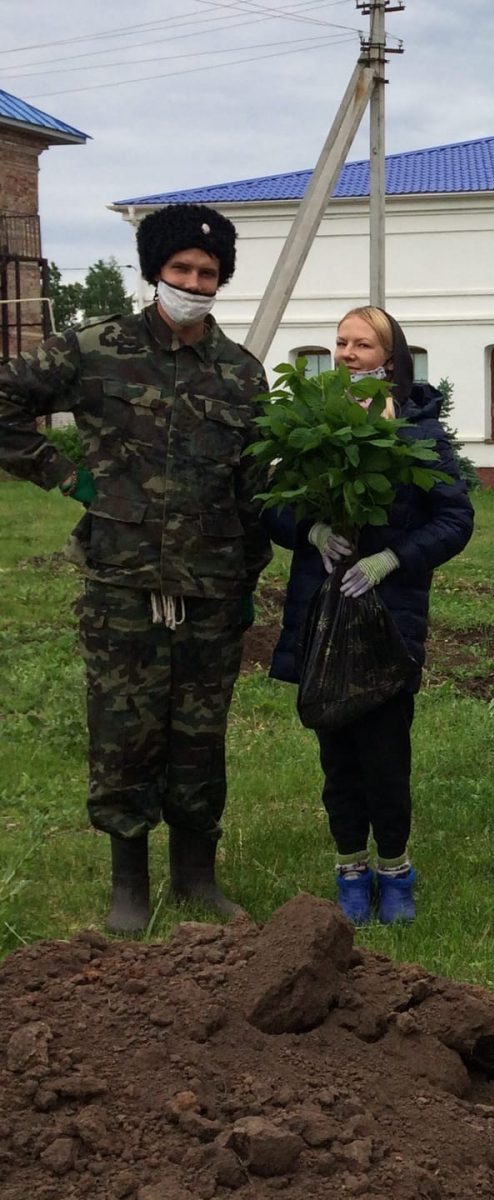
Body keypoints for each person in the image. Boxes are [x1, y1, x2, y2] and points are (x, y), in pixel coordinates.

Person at [0, 204, 268, 933]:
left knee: (200, 734)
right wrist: (66, 475)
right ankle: (128, 883)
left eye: (207, 273)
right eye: (181, 269)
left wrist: (251, 574)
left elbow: (252, 486)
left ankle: (195, 877)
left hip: (211, 585)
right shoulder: (94, 349)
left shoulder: (242, 375)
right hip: (123, 579)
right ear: (155, 271)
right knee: (124, 731)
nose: (193, 282)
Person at [263, 307, 474, 924]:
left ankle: (395, 871)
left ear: (390, 357)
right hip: (323, 620)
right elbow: (271, 508)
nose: (349, 353)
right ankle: (351, 869)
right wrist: (311, 530)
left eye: (363, 344)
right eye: (341, 343)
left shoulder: (417, 434)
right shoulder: (314, 429)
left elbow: (454, 519)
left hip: (387, 619)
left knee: (384, 755)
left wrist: (393, 558)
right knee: (338, 757)